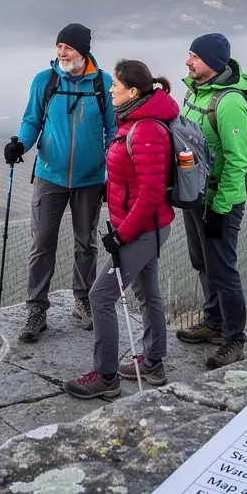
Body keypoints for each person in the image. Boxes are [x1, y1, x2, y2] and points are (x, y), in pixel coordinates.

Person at [64, 61, 177, 398]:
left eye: (115, 84)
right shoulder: (132, 122)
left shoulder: (145, 130)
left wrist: (122, 235)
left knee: (100, 296)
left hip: (142, 229)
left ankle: (106, 377)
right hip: (141, 226)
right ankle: (153, 363)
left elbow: (152, 193)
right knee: (147, 292)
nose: (110, 89)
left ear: (132, 91)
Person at [4, 23, 117, 342]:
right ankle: (37, 308)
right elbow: (31, 120)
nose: (61, 52)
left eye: (67, 47)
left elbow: (113, 131)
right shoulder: (45, 80)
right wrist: (20, 145)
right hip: (49, 175)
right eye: (58, 47)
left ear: (83, 50)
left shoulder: (103, 83)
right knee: (42, 243)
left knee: (87, 243)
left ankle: (84, 300)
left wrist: (110, 169)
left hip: (90, 178)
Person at [176, 32, 247, 368]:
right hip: (195, 195)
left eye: (194, 56)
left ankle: (234, 339)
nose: (188, 61)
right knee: (202, 263)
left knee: (222, 270)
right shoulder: (194, 92)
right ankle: (213, 322)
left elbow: (238, 161)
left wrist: (222, 208)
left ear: (213, 63)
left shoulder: (230, 102)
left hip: (220, 199)